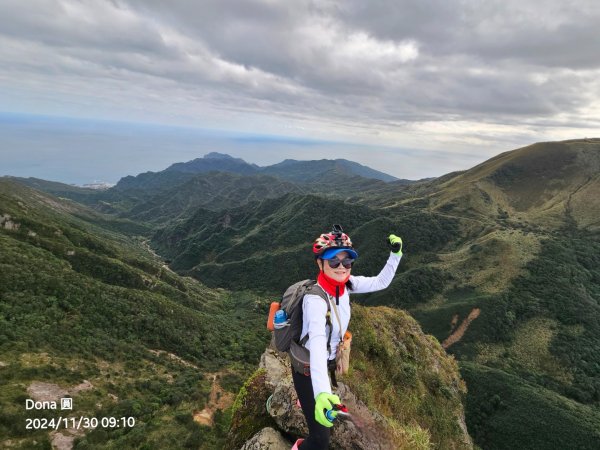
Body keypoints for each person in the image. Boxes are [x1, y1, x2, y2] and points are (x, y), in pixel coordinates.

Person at [291, 226, 403, 450]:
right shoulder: (315, 301)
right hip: (308, 368)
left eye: (347, 262)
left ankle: (306, 399)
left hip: (328, 362)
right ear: (320, 263)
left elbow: (380, 282)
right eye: (333, 261)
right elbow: (317, 346)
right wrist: (322, 393)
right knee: (321, 441)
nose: (341, 267)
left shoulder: (346, 286)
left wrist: (395, 255)